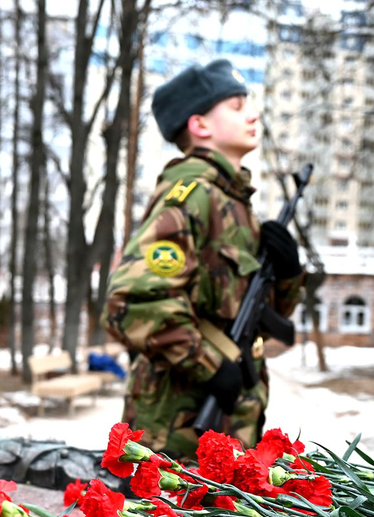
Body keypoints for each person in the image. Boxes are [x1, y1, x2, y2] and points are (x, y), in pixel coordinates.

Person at [102, 59, 303, 462]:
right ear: (200, 125)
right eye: (236, 105)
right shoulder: (193, 195)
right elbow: (132, 300)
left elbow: (259, 316)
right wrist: (210, 364)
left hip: (228, 427)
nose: (253, 114)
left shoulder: (234, 206)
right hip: (177, 434)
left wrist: (287, 275)